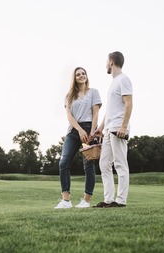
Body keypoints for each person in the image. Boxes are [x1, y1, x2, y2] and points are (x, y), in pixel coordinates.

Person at [54, 67, 102, 209]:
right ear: (74, 78)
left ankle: (86, 201)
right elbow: (69, 116)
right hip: (74, 131)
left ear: (86, 76)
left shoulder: (93, 92)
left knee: (88, 166)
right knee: (63, 163)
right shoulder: (69, 96)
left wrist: (92, 132)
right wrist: (79, 130)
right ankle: (66, 201)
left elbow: (95, 114)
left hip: (89, 129)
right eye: (78, 74)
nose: (81, 76)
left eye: (83, 73)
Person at [93, 51, 133, 208]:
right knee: (104, 165)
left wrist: (123, 126)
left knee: (120, 164)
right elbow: (110, 110)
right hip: (109, 129)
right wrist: (100, 128)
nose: (105, 65)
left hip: (118, 128)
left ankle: (121, 201)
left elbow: (129, 104)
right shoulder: (113, 82)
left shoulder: (124, 79)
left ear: (111, 62)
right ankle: (108, 199)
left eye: (106, 62)